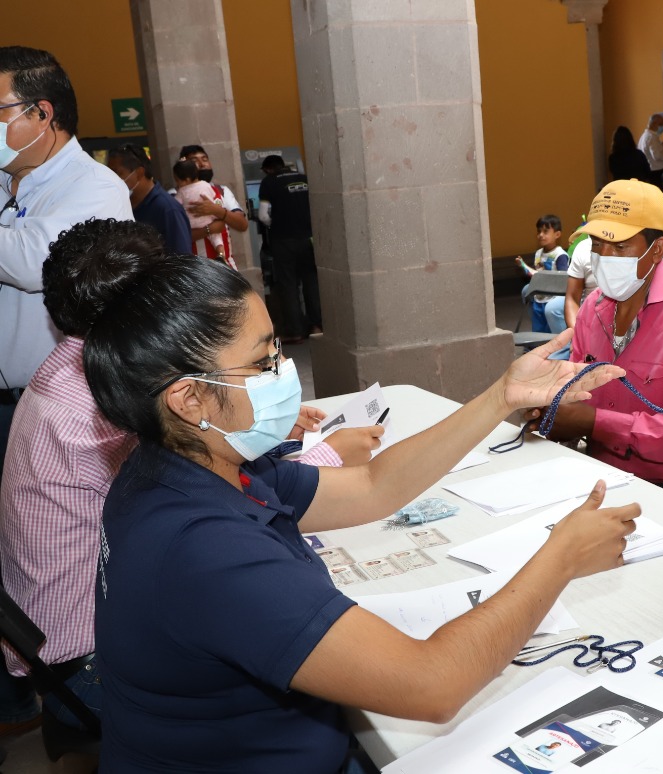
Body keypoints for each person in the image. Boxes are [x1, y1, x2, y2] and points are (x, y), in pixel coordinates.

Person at [80, 249, 634, 771]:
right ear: (189, 399)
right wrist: (561, 558)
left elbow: (371, 485)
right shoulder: (201, 547)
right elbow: (431, 685)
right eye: (262, 360)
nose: (284, 369)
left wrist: (502, 397)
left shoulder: (188, 463)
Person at [0, 218, 381, 733]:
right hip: (88, 658)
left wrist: (253, 415)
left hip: (57, 634)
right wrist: (323, 453)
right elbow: (204, 493)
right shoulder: (106, 409)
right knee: (323, 683)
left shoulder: (68, 370)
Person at [0, 45, 132, 734]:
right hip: (22, 404)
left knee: (60, 548)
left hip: (56, 403)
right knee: (18, 555)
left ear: (39, 113)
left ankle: (64, 689)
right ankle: (23, 693)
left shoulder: (93, 188)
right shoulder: (7, 182)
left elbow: (33, 264)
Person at [534, 180, 663, 514]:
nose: (603, 257)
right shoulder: (592, 311)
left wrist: (592, 423)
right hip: (606, 480)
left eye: (619, 247)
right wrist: (552, 409)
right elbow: (575, 394)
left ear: (656, 250)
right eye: (597, 245)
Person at [257, 154, 320, 343]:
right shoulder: (304, 178)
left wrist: (275, 223)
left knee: (289, 285)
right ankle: (317, 326)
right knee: (312, 281)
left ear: (267, 169)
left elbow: (262, 215)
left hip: (283, 240)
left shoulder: (268, 182)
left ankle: (295, 331)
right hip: (309, 238)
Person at [105, 144, 192, 255]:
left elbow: (182, 258)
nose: (112, 179)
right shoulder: (121, 205)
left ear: (139, 173)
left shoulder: (168, 209)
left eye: (117, 173)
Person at [174, 143, 249, 269]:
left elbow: (242, 225)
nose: (202, 164)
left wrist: (218, 211)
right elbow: (176, 237)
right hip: (196, 270)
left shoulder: (222, 190)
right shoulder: (175, 195)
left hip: (226, 268)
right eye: (195, 161)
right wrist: (208, 229)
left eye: (205, 159)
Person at [516, 214, 569, 334]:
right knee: (538, 319)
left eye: (545, 231)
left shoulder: (560, 255)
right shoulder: (538, 253)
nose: (540, 235)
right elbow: (536, 275)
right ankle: (538, 341)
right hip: (541, 293)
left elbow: (563, 279)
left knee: (549, 317)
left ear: (557, 235)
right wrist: (523, 265)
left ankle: (559, 344)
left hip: (554, 294)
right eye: (539, 231)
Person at [173, 158, 231, 267]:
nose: (177, 183)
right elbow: (216, 202)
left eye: (177, 180)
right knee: (217, 240)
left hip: (192, 224)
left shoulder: (182, 191)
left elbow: (174, 204)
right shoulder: (207, 186)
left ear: (187, 179)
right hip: (209, 220)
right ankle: (221, 254)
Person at [637, 112, 663, 184]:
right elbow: (657, 156)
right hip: (657, 172)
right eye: (661, 124)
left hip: (650, 171)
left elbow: (650, 151)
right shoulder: (652, 137)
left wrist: (662, 147)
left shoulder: (644, 136)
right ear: (654, 123)